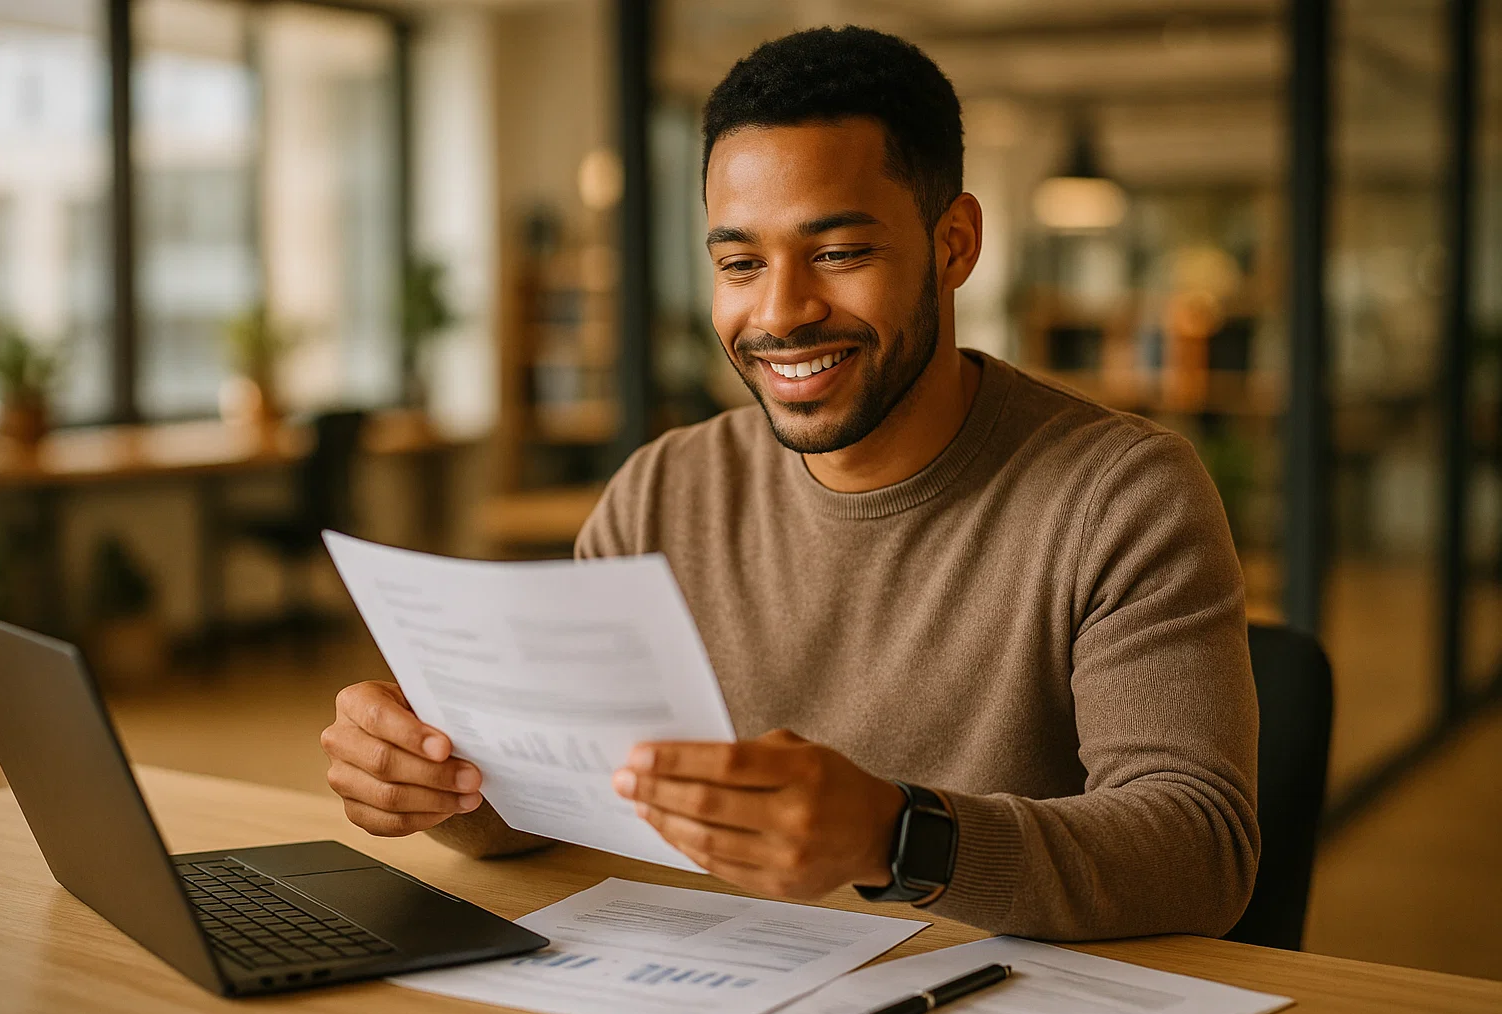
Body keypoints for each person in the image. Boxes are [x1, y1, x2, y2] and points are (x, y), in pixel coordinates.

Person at [320, 26, 1259, 941]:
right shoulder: (660, 494)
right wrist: (443, 784)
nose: (780, 312)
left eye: (840, 253)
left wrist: (896, 837)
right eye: (739, 263)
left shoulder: (1123, 495)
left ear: (954, 244)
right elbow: (568, 801)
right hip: (715, 980)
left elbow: (1200, 849)